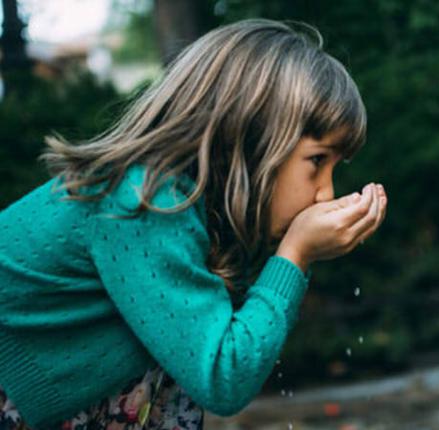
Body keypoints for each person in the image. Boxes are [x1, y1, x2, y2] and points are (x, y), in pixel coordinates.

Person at [0, 19, 387, 430]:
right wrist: (295, 254)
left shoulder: (197, 214)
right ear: (250, 137)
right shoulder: (147, 203)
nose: (325, 193)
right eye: (317, 161)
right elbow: (223, 378)